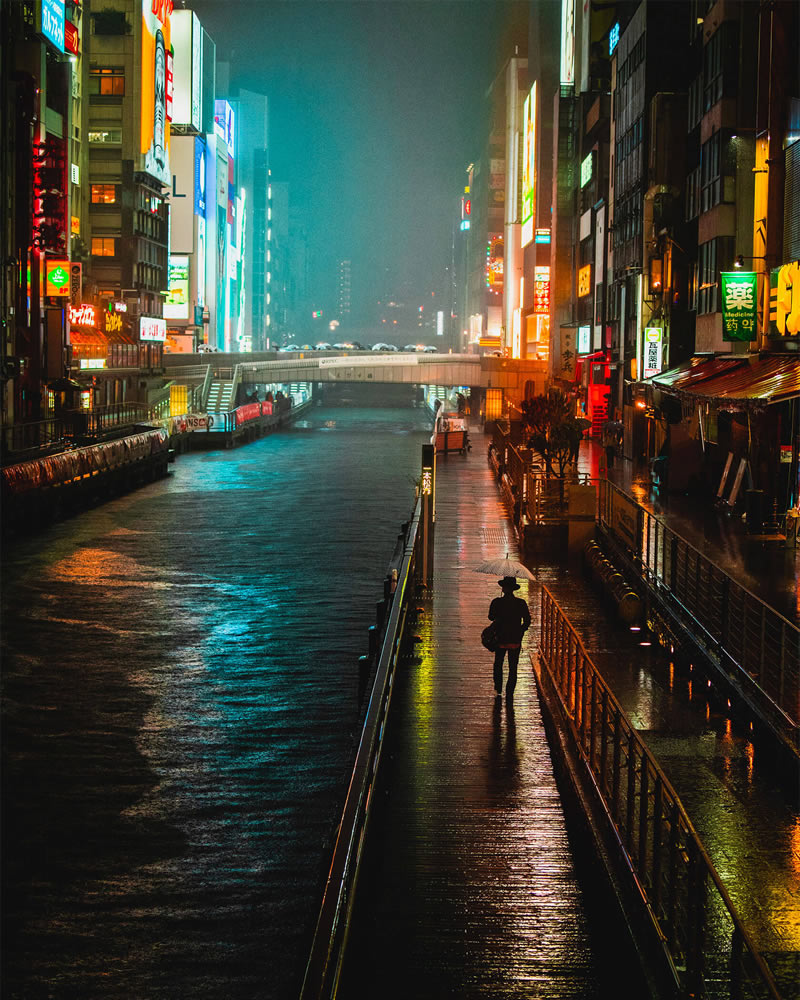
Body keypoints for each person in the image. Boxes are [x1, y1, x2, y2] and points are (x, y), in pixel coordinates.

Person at [487, 577, 531, 698]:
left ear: (503, 588)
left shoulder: (496, 602)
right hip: (515, 640)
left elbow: (490, 617)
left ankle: (498, 688)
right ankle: (510, 691)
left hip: (500, 639)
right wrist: (520, 631)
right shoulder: (521, 603)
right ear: (513, 589)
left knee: (498, 664)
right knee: (513, 667)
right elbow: (527, 621)